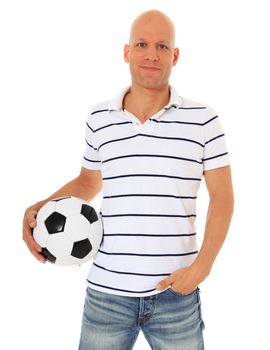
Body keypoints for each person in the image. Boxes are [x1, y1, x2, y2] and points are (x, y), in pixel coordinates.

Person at [22, 9, 234, 350]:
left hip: (175, 295)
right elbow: (88, 183)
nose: (152, 54)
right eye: (142, 44)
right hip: (107, 295)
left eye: (163, 46)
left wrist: (203, 266)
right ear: (127, 52)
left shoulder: (204, 121)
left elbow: (223, 198)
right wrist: (38, 206)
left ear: (175, 56)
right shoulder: (99, 119)